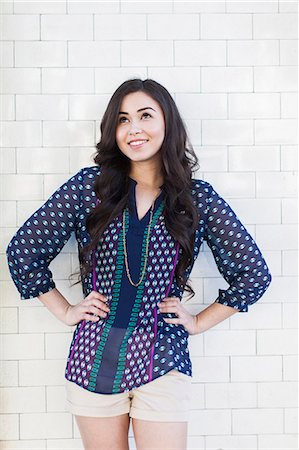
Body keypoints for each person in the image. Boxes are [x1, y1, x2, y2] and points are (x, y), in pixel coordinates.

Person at [6, 78, 272, 450]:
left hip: (163, 357)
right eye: (122, 119)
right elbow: (24, 251)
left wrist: (197, 321)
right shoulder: (89, 189)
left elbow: (253, 275)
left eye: (145, 115)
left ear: (168, 123)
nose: (134, 129)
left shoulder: (197, 199)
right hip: (92, 358)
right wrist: (66, 311)